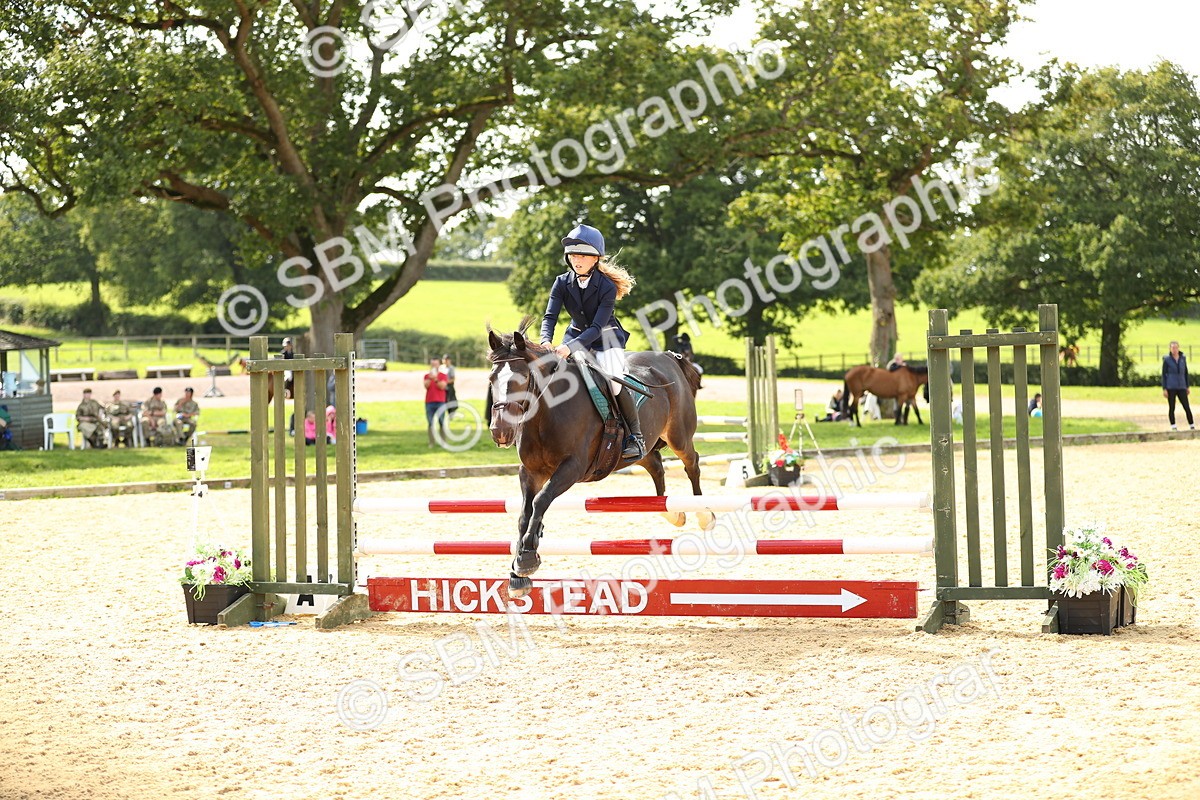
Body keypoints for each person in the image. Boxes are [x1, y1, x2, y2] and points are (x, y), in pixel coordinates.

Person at [540, 223, 643, 459]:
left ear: (596, 258)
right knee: (551, 374)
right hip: (574, 334)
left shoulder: (606, 286)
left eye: (583, 256)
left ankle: (635, 437)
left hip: (606, 338)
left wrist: (569, 347)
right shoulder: (561, 282)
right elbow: (550, 316)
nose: (577, 260)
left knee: (614, 382)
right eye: (573, 255)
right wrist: (546, 340)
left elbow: (596, 327)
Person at [1162, 340, 1193, 430]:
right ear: (1170, 349)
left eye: (1176, 348)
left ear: (1178, 348)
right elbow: (1163, 374)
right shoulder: (1167, 360)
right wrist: (1164, 388)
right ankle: (1173, 425)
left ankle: (1191, 424)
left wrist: (1187, 386)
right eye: (1172, 348)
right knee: (1172, 407)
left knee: (1186, 406)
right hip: (1171, 386)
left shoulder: (1183, 358)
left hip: (1182, 386)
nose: (1174, 350)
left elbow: (1186, 373)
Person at [424, 357, 448, 447]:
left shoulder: (443, 375)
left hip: (440, 401)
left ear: (439, 365)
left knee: (441, 422)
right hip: (429, 402)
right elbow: (426, 386)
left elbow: (442, 386)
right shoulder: (427, 376)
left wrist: (436, 379)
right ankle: (431, 442)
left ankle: (443, 442)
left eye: (435, 364)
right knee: (430, 423)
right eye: (432, 364)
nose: (434, 366)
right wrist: (430, 378)